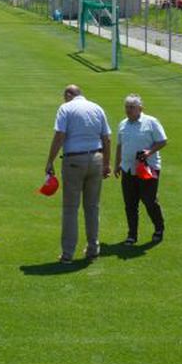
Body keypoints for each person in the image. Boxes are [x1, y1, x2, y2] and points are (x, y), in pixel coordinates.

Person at [45, 85, 112, 262]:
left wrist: (50, 160)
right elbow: (107, 138)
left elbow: (60, 135)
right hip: (96, 159)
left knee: (70, 209)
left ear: (68, 95)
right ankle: (93, 248)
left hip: (74, 161)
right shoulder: (97, 108)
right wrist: (106, 164)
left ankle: (68, 253)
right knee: (92, 207)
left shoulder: (66, 108)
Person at [113, 94, 168, 244]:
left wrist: (149, 152)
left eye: (132, 107)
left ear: (140, 108)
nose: (128, 110)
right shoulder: (123, 124)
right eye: (127, 107)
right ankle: (132, 235)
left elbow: (163, 141)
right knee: (130, 204)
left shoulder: (151, 122)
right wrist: (117, 164)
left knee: (149, 201)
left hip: (148, 169)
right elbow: (119, 145)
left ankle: (159, 228)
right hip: (128, 169)